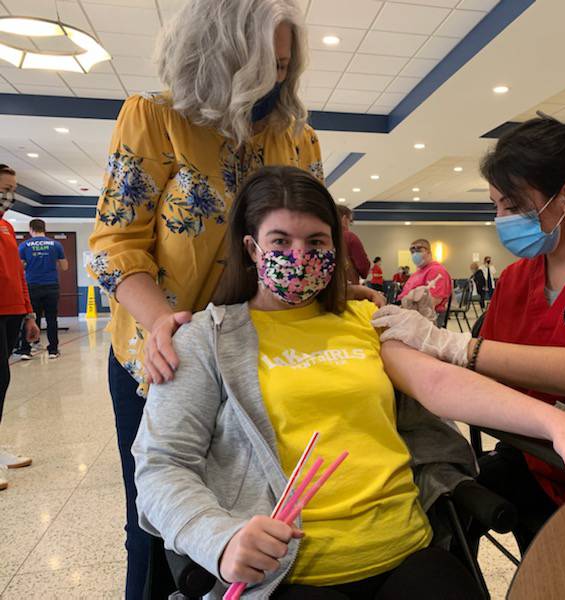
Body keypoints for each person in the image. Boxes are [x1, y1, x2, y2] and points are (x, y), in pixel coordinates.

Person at [132, 166, 565, 599]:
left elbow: (440, 384)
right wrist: (219, 538)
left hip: (408, 548)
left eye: (317, 242)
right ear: (252, 249)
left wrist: (557, 425)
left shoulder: (364, 320)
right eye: (280, 242)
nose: (299, 257)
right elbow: (162, 468)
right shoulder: (204, 339)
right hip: (287, 570)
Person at [85, 2, 369, 596]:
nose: (278, 84)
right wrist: (164, 322)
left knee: (254, 504)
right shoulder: (156, 117)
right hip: (163, 355)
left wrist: (342, 288)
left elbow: (312, 236)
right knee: (161, 522)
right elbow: (116, 242)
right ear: (218, 59)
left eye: (286, 69)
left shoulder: (298, 136)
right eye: (265, 69)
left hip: (259, 354)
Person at [373, 113, 565, 545]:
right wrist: (419, 344)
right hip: (537, 448)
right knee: (447, 514)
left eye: (513, 206)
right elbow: (487, 374)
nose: (501, 218)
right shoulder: (518, 278)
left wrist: (452, 344)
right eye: (496, 205)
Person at [0, 164, 38, 491]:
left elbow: (17, 273)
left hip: (11, 312)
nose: (9, 196)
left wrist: (28, 313)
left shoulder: (8, 229)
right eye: (4, 188)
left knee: (1, 379)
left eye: (12, 189)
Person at [18, 218, 68, 359]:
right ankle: (53, 350)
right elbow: (65, 267)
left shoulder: (24, 245)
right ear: (44, 229)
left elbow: (19, 267)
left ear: (31, 229)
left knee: (31, 318)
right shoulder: (56, 245)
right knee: (52, 319)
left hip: (32, 286)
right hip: (51, 285)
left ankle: (26, 350)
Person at [397, 239, 452, 317]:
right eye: (412, 252)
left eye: (419, 250)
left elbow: (431, 303)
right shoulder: (418, 272)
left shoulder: (436, 271)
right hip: (408, 312)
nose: (415, 254)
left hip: (424, 318)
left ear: (429, 252)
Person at [337, 204, 369, 285]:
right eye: (350, 221)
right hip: (348, 288)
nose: (349, 225)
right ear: (344, 219)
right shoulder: (349, 237)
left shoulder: (322, 237)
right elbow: (363, 267)